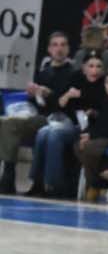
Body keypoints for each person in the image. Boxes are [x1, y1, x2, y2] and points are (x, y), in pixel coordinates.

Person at [0, 31, 75, 194]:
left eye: (63, 45)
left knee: (44, 130)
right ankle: (8, 175)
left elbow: (71, 106)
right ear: (49, 50)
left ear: (68, 49)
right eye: (55, 45)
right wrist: (34, 94)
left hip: (61, 120)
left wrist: (50, 95)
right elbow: (39, 104)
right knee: (7, 122)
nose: (59, 49)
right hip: (40, 117)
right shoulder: (44, 73)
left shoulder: (74, 73)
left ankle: (44, 183)